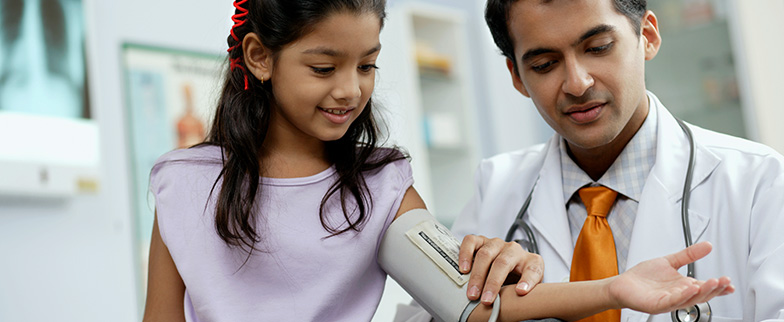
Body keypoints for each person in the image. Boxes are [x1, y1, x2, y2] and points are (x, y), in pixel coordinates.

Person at [142, 1, 733, 321]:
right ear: (259, 57)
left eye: (367, 65)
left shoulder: (380, 186)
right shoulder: (184, 183)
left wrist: (615, 290)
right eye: (325, 68)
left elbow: (474, 303)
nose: (350, 90)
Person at [445, 0, 784, 321]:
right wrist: (495, 303)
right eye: (544, 65)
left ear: (647, 37)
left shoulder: (760, 183)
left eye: (598, 48)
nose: (577, 84)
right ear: (517, 77)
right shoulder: (493, 189)